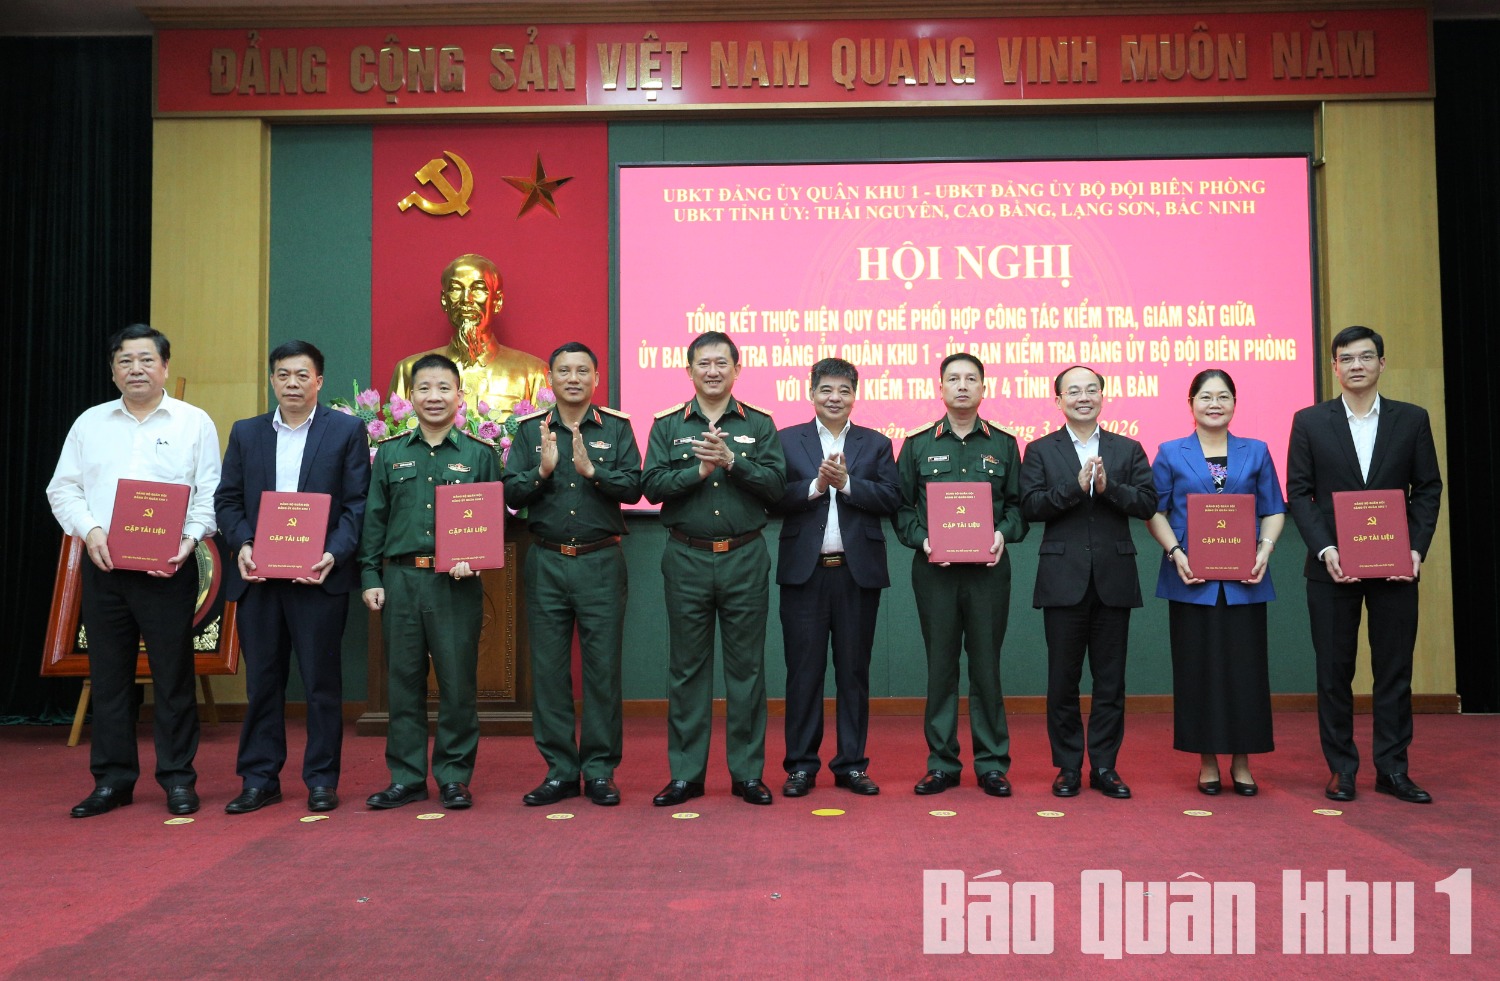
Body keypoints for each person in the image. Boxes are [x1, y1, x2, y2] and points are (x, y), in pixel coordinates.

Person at [47, 324, 221, 818]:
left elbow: (209, 492)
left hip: (169, 570)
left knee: (173, 677)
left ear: (164, 367)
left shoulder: (194, 423)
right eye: (125, 361)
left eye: (147, 360)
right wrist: (89, 531)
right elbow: (63, 489)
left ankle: (178, 779)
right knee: (109, 678)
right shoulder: (90, 424)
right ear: (113, 371)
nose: (136, 369)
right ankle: (112, 780)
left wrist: (189, 540)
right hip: (105, 567)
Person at [1287, 325, 1443, 805]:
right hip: (1331, 568)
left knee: (1394, 670)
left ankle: (1393, 769)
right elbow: (1299, 492)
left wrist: (1415, 550)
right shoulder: (1310, 421)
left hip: (1396, 567)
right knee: (1334, 672)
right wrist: (1325, 549)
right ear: (1334, 367)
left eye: (1366, 356)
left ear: (1381, 363)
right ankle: (1342, 769)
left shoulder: (1411, 419)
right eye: (1347, 358)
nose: (1357, 365)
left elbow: (1428, 488)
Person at [214, 340, 371, 814]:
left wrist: (332, 553)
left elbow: (357, 505)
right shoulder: (247, 432)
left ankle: (322, 780)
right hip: (259, 579)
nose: (292, 384)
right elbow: (227, 500)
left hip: (318, 578)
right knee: (262, 683)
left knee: (321, 684)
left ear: (319, 381)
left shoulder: (346, 430)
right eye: (283, 375)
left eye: (302, 375)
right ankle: (259, 779)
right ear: (272, 380)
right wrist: (243, 544)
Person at [642, 330, 787, 806]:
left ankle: (747, 774)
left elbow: (777, 486)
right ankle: (686, 775)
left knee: (747, 670)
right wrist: (698, 472)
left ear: (736, 369)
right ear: (689, 370)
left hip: (745, 556)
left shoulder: (759, 423)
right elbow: (651, 486)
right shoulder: (667, 424)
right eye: (703, 363)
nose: (712, 371)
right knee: (687, 669)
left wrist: (733, 462)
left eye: (721, 363)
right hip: (686, 557)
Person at [358, 354, 502, 810]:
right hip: (401, 580)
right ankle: (407, 777)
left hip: (454, 585)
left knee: (458, 684)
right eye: (424, 388)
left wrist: (476, 559)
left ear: (460, 395)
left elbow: (492, 521)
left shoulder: (480, 454)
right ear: (411, 396)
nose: (434, 397)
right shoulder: (390, 453)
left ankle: (455, 776)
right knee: (403, 683)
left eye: (444, 388)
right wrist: (370, 574)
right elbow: (374, 520)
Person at [502, 342, 642, 807]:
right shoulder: (530, 431)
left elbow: (635, 488)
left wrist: (592, 470)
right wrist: (542, 471)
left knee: (603, 672)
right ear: (551, 379)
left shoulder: (616, 428)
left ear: (596, 379)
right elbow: (511, 493)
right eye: (564, 371)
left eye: (583, 371)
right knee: (549, 672)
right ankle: (560, 771)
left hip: (601, 561)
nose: (574, 378)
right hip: (546, 561)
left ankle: (599, 770)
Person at [1145, 369, 1285, 796]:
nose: (1214, 404)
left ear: (1235, 403)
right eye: (1205, 397)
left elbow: (1273, 509)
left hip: (1246, 579)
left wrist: (1264, 549)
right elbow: (1155, 512)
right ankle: (1206, 760)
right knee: (1197, 671)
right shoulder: (1170, 452)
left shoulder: (1256, 451)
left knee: (1246, 672)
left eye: (1223, 396)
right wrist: (1176, 552)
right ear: (1191, 404)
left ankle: (1242, 761)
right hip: (1190, 578)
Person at [1020, 366, 1156, 800]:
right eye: (1074, 391)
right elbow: (1030, 507)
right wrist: (1074, 488)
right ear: (1058, 400)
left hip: (1114, 578)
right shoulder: (1040, 449)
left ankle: (1104, 766)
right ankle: (1067, 766)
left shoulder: (1127, 448)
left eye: (1091, 390)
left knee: (1110, 681)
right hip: (1063, 580)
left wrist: (1108, 487)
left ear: (1102, 396)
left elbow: (1148, 503)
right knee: (1062, 680)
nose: (1083, 397)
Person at [894, 354, 1027, 798]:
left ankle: (992, 764)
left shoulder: (1004, 444)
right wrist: (923, 541)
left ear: (984, 388)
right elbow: (900, 508)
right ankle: (942, 764)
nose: (963, 386)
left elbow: (1018, 508)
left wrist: (1002, 534)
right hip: (936, 572)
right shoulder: (917, 444)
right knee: (941, 668)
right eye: (954, 379)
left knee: (987, 668)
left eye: (971, 379)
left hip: (989, 572)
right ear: (941, 388)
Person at [775, 358, 900, 798]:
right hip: (804, 574)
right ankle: (801, 766)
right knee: (803, 673)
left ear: (854, 396)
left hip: (856, 574)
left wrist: (846, 483)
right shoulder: (786, 440)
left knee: (853, 673)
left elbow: (892, 497)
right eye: (826, 389)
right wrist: (815, 486)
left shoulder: (876, 443)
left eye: (844, 390)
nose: (835, 397)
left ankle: (851, 764)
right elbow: (771, 496)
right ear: (811, 393)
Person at [388, 253, 548, 417]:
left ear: (497, 301)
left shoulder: (532, 374)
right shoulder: (408, 371)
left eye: (478, 289)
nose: (466, 299)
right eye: (456, 289)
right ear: (444, 300)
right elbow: (394, 430)